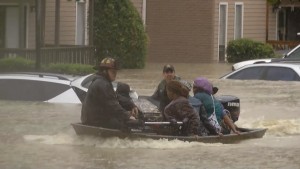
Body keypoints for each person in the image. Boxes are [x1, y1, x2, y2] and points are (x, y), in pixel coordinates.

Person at [81, 57, 137, 129]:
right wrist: (128, 115)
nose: (115, 74)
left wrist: (131, 105)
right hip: (94, 121)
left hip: (92, 119)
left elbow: (114, 97)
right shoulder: (102, 84)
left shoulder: (103, 81)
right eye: (113, 72)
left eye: (116, 72)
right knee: (129, 125)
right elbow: (113, 106)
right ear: (104, 71)